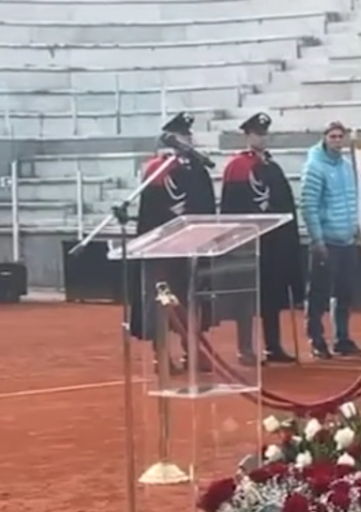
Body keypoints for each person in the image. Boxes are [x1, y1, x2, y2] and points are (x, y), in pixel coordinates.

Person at [127, 111, 217, 371]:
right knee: (162, 302)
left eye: (189, 134)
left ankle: (192, 351)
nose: (187, 138)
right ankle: (161, 355)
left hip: (192, 246)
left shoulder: (197, 167)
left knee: (191, 300)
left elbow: (207, 205)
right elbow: (151, 212)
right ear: (171, 138)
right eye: (182, 134)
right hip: (163, 248)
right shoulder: (158, 168)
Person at [220, 112, 304, 365]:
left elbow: (285, 205)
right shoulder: (237, 166)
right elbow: (230, 206)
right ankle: (245, 348)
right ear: (247, 136)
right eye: (257, 133)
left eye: (264, 133)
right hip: (249, 242)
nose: (262, 138)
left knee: (273, 295)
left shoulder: (271, 166)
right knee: (246, 299)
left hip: (274, 242)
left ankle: (273, 345)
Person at [301, 120, 361, 359]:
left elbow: (353, 199)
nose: (337, 140)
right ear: (325, 138)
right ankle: (316, 339)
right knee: (319, 294)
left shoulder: (347, 167)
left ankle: (342, 338)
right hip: (326, 240)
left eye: (340, 136)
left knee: (345, 293)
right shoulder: (314, 167)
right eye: (333, 137)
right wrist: (317, 239)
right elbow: (308, 205)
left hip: (347, 240)